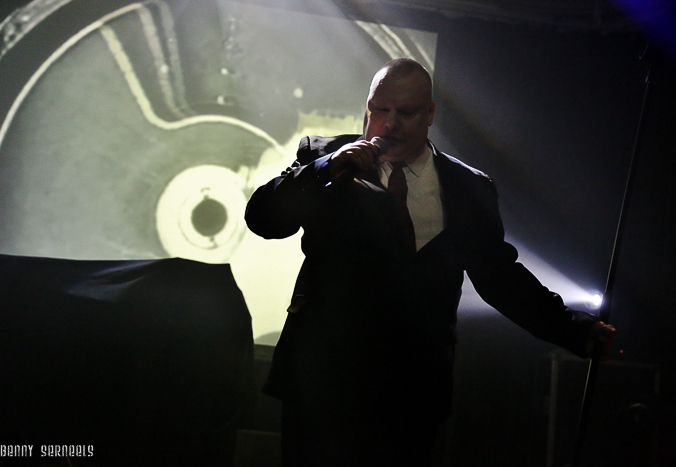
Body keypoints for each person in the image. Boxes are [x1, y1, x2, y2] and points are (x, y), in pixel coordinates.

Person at [244, 58, 616, 466]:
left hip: (411, 391)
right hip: (322, 383)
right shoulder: (325, 157)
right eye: (379, 110)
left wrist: (573, 328)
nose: (388, 125)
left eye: (405, 113)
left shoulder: (467, 187)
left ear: (430, 114)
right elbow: (264, 219)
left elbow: (499, 277)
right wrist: (326, 169)